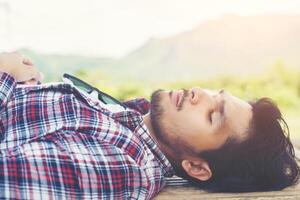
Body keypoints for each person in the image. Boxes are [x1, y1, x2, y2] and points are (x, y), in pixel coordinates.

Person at [0, 52, 299, 199]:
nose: (198, 93)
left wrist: (4, 73)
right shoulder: (127, 119)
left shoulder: (121, 165)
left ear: (195, 167)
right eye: (213, 93)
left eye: (212, 115)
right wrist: (26, 84)